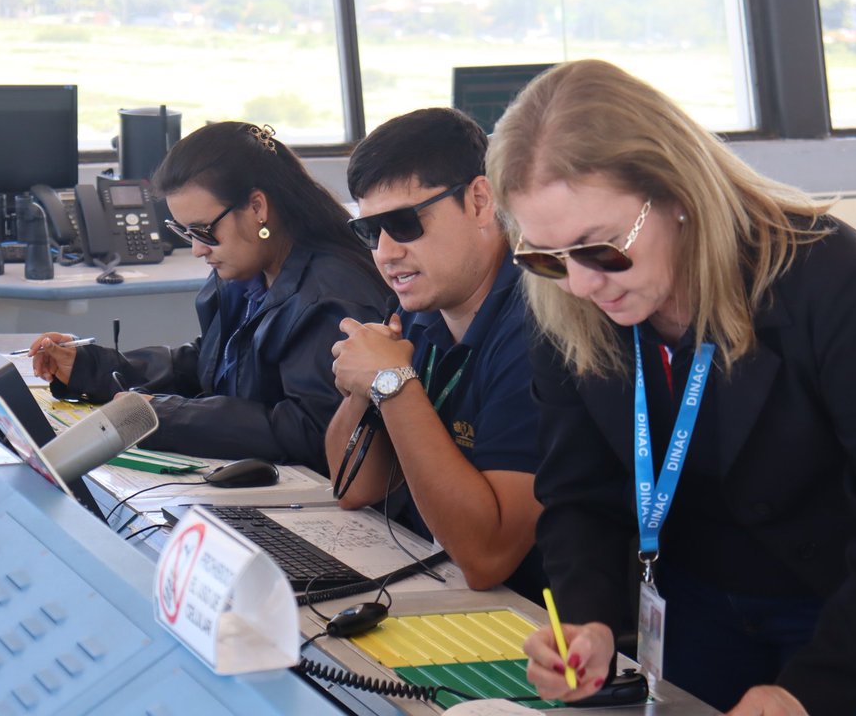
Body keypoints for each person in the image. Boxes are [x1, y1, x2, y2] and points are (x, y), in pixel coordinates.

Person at [487, 60, 856, 716]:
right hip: (701, 599)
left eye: (600, 247)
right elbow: (578, 491)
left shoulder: (824, 275)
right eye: (544, 254)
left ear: (676, 193)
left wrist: (807, 692)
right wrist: (588, 620)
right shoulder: (564, 299)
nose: (580, 282)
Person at [28, 121, 392, 472]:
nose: (198, 250)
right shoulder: (247, 273)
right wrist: (90, 368)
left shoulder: (332, 297)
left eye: (203, 231)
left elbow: (310, 430)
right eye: (184, 232)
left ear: (257, 208)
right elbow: (209, 366)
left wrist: (166, 417)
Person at [325, 107, 544, 600]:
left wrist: (392, 385)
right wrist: (365, 383)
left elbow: (488, 557)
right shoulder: (419, 312)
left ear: (480, 201)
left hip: (545, 623)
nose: (384, 252)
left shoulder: (539, 324)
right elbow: (354, 487)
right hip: (447, 588)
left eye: (403, 223)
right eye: (368, 231)